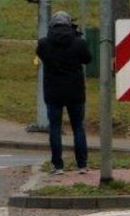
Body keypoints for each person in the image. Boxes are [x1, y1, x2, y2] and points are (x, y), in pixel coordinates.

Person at [36, 11, 92, 175]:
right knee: (78, 127)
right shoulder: (78, 43)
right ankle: (82, 164)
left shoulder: (44, 43)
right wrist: (76, 35)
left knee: (55, 128)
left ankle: (57, 165)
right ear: (69, 25)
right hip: (75, 92)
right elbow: (87, 59)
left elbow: (41, 55)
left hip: (53, 92)